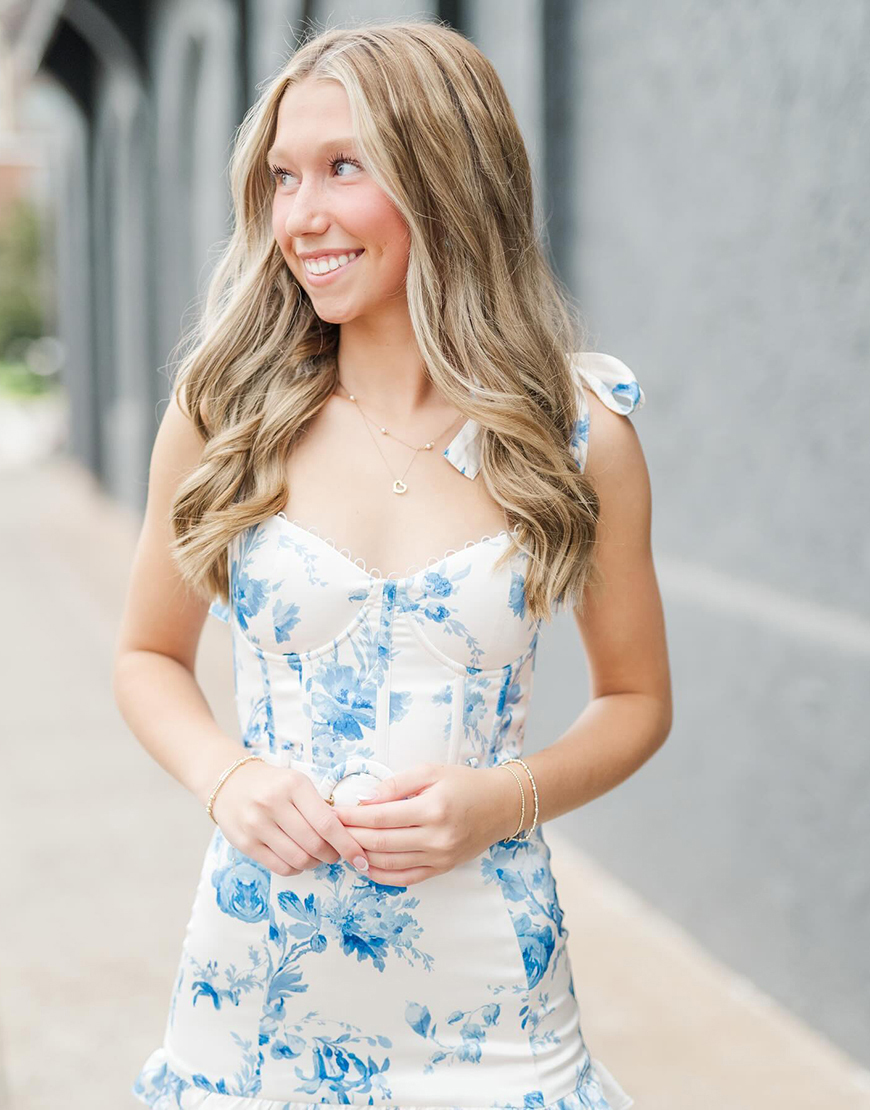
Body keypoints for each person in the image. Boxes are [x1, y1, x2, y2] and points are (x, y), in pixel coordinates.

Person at [114, 18, 671, 1110]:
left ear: (445, 179)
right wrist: (226, 778)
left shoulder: (576, 434)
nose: (300, 218)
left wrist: (502, 798)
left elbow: (637, 700)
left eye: (343, 168)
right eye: (282, 178)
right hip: (255, 994)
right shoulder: (224, 413)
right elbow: (146, 655)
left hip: (496, 1001)